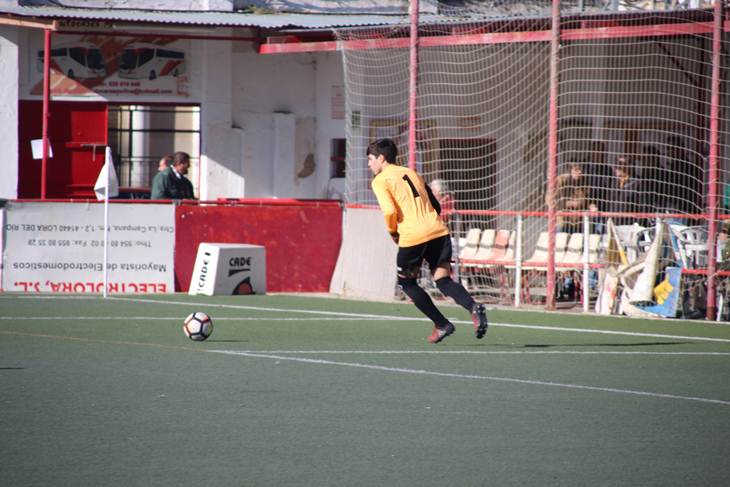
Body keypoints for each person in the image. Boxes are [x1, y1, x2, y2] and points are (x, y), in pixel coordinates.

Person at [367, 138, 488, 344]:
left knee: (406, 283)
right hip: (438, 231)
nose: (369, 164)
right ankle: (473, 307)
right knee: (443, 281)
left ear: (381, 158)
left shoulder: (380, 180)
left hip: (412, 236)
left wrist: (393, 232)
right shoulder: (411, 172)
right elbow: (436, 205)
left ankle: (442, 324)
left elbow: (389, 211)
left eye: (370, 159)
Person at [548, 162, 597, 234]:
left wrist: (592, 207)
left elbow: (589, 200)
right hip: (562, 220)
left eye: (581, 170)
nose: (580, 172)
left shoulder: (585, 182)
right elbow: (550, 200)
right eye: (576, 170)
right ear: (569, 171)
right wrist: (570, 204)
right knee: (561, 240)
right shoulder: (561, 180)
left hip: (579, 222)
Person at [607, 157, 644, 226]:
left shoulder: (636, 183)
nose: (617, 167)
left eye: (620, 164)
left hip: (629, 223)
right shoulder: (613, 182)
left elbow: (641, 205)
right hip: (613, 222)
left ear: (628, 167)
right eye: (616, 164)